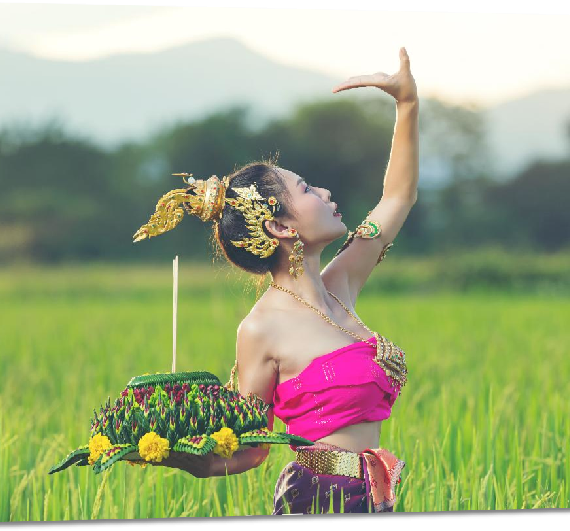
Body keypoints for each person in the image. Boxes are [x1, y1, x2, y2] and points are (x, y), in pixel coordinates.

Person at [138, 47, 418, 514]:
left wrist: (406, 105)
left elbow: (398, 197)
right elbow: (251, 448)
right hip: (316, 497)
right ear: (281, 228)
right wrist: (174, 455)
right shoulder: (260, 328)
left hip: (373, 495)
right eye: (306, 190)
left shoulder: (340, 285)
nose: (325, 192)